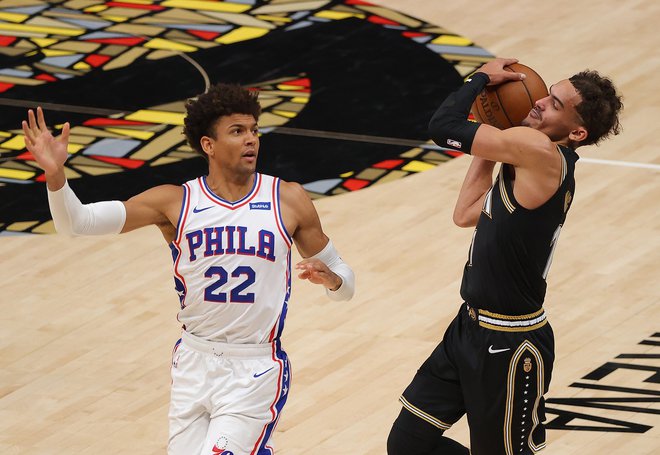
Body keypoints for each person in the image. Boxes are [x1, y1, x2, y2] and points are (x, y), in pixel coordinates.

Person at [22, 83, 355, 455]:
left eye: (254, 131)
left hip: (255, 369)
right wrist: (55, 175)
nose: (251, 140)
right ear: (208, 145)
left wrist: (334, 280)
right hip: (193, 363)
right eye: (237, 131)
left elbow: (344, 278)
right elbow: (77, 223)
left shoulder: (287, 198)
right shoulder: (174, 202)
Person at [387, 57, 623, 455]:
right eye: (548, 94)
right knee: (409, 444)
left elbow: (441, 128)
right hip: (469, 327)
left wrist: (478, 80)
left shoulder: (541, 153)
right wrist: (494, 138)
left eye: (555, 105)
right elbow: (465, 214)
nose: (540, 104)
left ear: (578, 131)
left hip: (511, 342)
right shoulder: (528, 156)